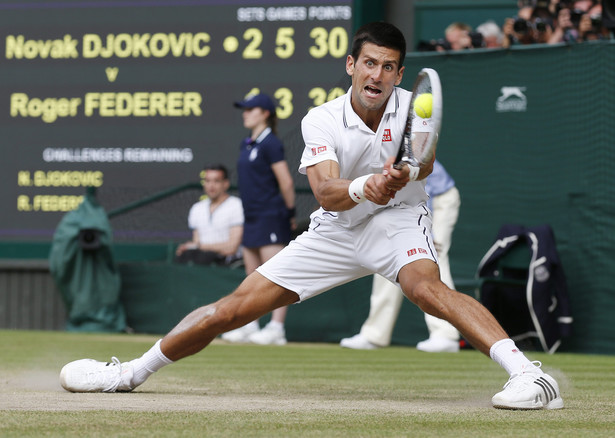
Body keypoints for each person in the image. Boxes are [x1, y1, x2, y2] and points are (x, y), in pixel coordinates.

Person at [59, 22, 563, 410]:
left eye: (389, 67)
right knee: (231, 310)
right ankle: (127, 374)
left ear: (400, 74)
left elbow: (424, 161)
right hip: (337, 228)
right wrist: (370, 182)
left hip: (397, 222)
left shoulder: (415, 107)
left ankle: (529, 376)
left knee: (427, 290)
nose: (377, 76)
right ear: (351, 65)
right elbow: (325, 193)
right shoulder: (320, 118)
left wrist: (401, 176)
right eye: (369, 64)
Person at [340, 160, 461, 352]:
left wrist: (426, 233)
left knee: (434, 259)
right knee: (387, 258)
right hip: (401, 205)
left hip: (437, 199)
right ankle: (375, 335)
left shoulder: (394, 146)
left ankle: (445, 335)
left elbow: (416, 187)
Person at [220, 92, 296, 346]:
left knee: (277, 275)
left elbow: (285, 181)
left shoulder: (271, 143)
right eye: (245, 109)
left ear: (265, 114)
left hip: (272, 215)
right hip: (251, 216)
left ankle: (277, 328)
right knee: (252, 275)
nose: (245, 113)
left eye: (251, 109)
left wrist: (289, 212)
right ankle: (251, 325)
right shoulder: (247, 143)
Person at [174, 164, 244, 266]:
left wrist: (198, 246)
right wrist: (190, 247)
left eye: (216, 181)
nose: (211, 186)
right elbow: (197, 241)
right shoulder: (197, 208)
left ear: (226, 183)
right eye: (207, 181)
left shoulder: (236, 205)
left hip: (227, 262)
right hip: (202, 261)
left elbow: (232, 247)